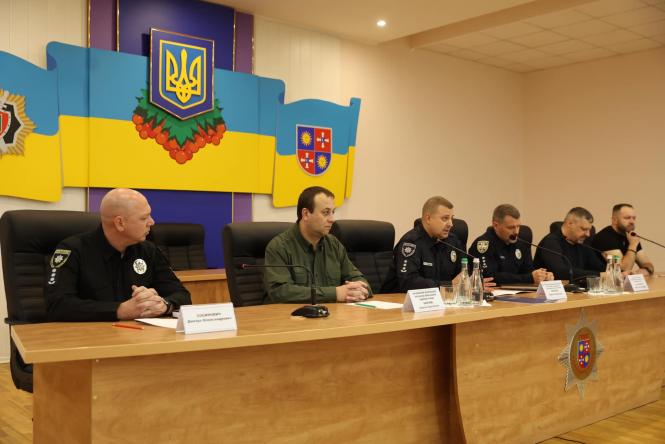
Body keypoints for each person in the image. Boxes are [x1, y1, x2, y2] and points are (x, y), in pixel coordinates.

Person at [46, 188, 191, 321]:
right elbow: (57, 306)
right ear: (120, 223)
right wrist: (119, 310)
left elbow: (182, 295)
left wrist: (164, 305)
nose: (152, 222)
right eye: (143, 218)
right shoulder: (73, 250)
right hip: (87, 336)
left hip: (139, 334)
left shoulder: (148, 250)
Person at [263, 186, 371, 304]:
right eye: (326, 213)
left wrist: (360, 290)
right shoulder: (279, 247)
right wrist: (335, 293)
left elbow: (358, 279)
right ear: (306, 214)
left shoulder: (334, 244)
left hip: (332, 314)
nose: (332, 219)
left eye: (333, 212)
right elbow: (280, 292)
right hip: (292, 314)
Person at [380, 196, 494, 293]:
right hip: (399, 303)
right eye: (445, 218)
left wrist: (472, 283)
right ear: (428, 219)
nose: (451, 224)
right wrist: (448, 285)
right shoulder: (411, 243)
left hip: (441, 301)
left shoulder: (452, 241)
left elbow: (463, 273)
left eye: (451, 219)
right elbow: (408, 282)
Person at [469, 204, 553, 285]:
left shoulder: (521, 243)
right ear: (495, 225)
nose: (516, 232)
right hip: (495, 292)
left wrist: (542, 276)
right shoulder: (483, 244)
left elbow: (528, 272)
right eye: (511, 227)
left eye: (518, 226)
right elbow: (490, 277)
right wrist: (529, 278)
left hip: (522, 291)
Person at [533, 207, 605, 281]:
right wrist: (600, 275)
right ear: (570, 224)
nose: (588, 234)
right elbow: (561, 273)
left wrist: (610, 265)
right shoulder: (550, 242)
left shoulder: (582, 242)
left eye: (589, 230)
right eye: (584, 229)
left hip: (577, 287)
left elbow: (599, 267)